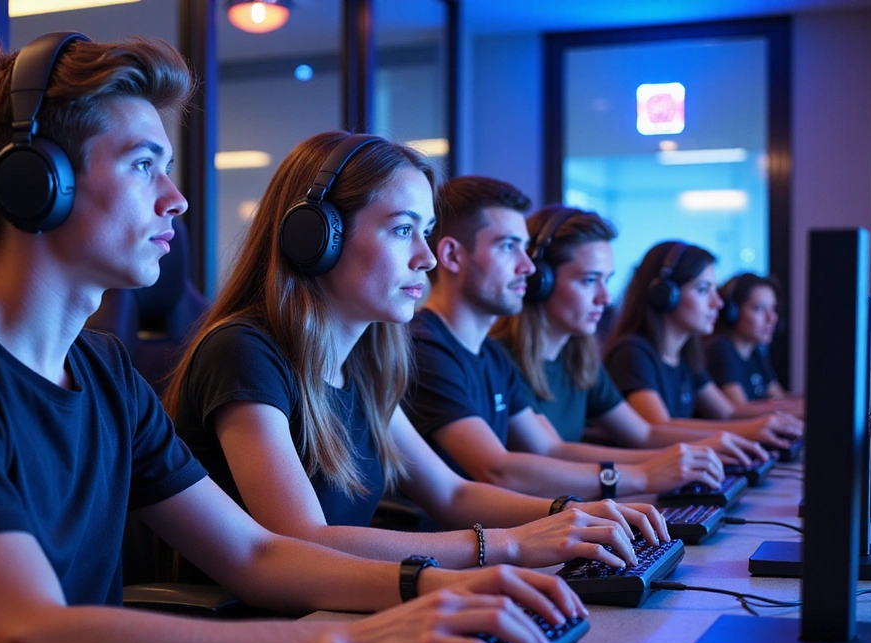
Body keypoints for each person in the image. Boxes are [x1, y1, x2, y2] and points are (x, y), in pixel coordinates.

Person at [0, 34, 581, 643]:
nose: (177, 199)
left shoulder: (102, 369)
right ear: (34, 182)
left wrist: (441, 590)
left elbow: (255, 554)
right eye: (143, 164)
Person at [166, 132, 668, 577]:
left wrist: (569, 513)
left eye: (425, 233)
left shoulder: (365, 364)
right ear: (317, 238)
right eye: (404, 230)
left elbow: (450, 493)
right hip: (251, 636)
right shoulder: (245, 353)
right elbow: (300, 539)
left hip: (337, 612)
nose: (426, 259)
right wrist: (508, 545)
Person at [402, 176, 732, 502]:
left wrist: (671, 462)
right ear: (452, 256)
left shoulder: (489, 355)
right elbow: (496, 470)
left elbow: (549, 448)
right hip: (443, 548)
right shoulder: (425, 349)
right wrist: (644, 475)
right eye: (508, 247)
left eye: (524, 247)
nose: (527, 267)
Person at [490, 205, 769, 464]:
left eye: (606, 281)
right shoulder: (501, 359)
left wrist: (711, 446)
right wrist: (660, 467)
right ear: (539, 280)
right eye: (589, 280)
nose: (604, 297)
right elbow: (551, 454)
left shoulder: (579, 359)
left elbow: (643, 434)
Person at [603, 241, 804, 449]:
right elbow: (659, 429)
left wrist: (774, 420)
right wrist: (749, 430)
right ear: (664, 295)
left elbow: (728, 412)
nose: (717, 303)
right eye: (703, 290)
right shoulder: (632, 353)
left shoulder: (685, 355)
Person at [705, 272, 804, 415]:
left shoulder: (755, 352)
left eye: (773, 309)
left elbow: (778, 396)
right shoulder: (720, 349)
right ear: (733, 312)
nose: (772, 318)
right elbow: (739, 411)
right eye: (759, 309)